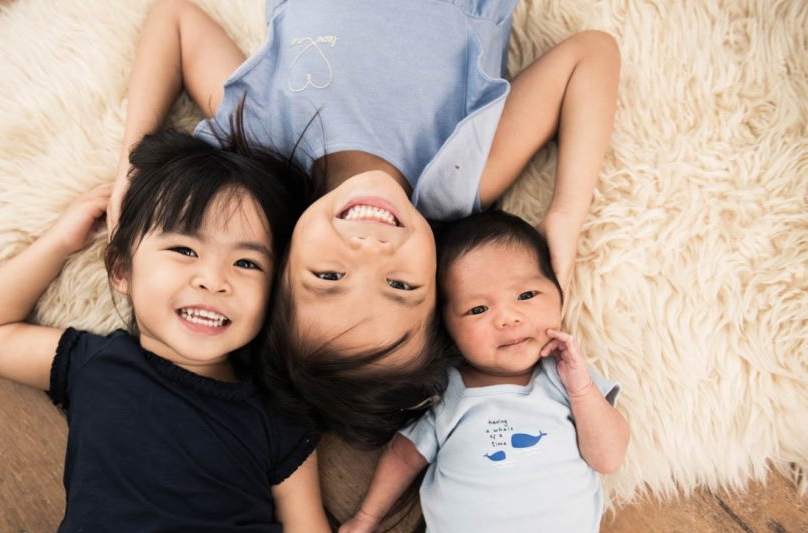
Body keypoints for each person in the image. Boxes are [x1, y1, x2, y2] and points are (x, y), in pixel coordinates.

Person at [109, 0, 620, 447]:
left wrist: (130, 172)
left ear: (281, 263)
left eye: (328, 277)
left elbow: (173, 19)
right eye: (401, 284)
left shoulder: (263, 136)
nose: (372, 249)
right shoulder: (460, 173)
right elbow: (591, 55)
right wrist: (565, 215)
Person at [0, 129, 359, 533]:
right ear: (121, 269)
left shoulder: (276, 413)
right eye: (184, 249)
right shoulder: (96, 366)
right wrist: (58, 242)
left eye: (247, 262)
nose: (213, 280)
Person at [336, 210, 631, 533]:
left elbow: (607, 457)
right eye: (477, 308)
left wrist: (581, 386)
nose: (508, 318)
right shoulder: (447, 395)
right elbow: (403, 455)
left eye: (527, 294)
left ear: (558, 292)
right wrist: (367, 515)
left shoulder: (567, 382)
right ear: (448, 330)